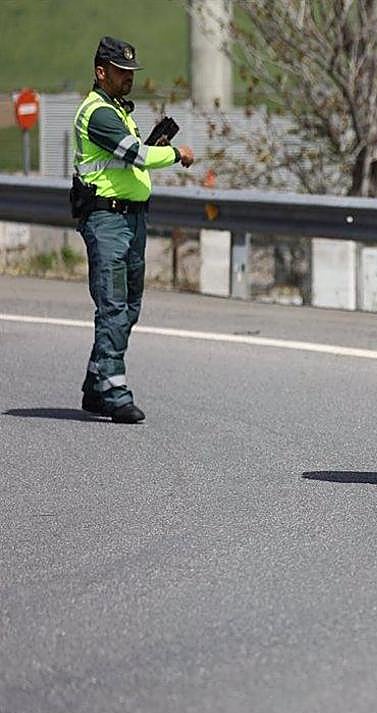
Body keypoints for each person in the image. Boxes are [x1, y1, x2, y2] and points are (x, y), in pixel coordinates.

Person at [74, 36, 195, 423]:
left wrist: (152, 144)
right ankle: (115, 392)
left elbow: (127, 159)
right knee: (113, 306)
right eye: (121, 71)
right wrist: (175, 153)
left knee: (129, 306)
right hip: (107, 220)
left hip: (131, 219)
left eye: (131, 71)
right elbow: (137, 155)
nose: (129, 77)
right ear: (101, 72)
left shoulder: (119, 111)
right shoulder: (98, 113)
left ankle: (96, 385)